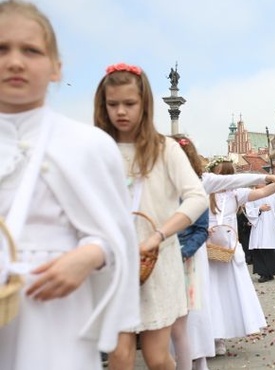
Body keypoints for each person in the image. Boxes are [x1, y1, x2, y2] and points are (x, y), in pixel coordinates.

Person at [0, 2, 139, 369]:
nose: (15, 61)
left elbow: (118, 233)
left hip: (57, 308)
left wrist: (89, 255)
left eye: (30, 50)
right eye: (2, 49)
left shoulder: (87, 145)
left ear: (56, 67)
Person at [94, 63, 209, 370]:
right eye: (113, 104)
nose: (121, 111)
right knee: (119, 357)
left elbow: (197, 197)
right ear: (102, 106)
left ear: (144, 104)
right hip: (115, 264)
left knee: (158, 359)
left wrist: (159, 234)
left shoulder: (165, 149)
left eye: (129, 104)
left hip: (156, 262)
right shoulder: (97, 149)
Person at [203, 159, 275, 355]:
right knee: (207, 295)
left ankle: (220, 337)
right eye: (220, 175)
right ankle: (207, 337)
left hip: (228, 253)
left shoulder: (236, 194)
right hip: (206, 251)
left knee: (224, 295)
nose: (224, 180)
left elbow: (262, 192)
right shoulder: (204, 192)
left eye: (228, 176)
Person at [168, 135, 210, 370]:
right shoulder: (157, 184)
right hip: (156, 259)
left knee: (183, 323)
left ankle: (196, 360)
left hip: (186, 258)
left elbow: (200, 228)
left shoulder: (196, 186)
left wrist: (184, 251)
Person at [245, 187, 275, 282]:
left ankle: (271, 272)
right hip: (259, 225)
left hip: (271, 225)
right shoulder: (253, 194)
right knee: (259, 249)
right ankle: (263, 273)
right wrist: (259, 209)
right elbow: (249, 210)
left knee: (270, 249)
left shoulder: (273, 194)